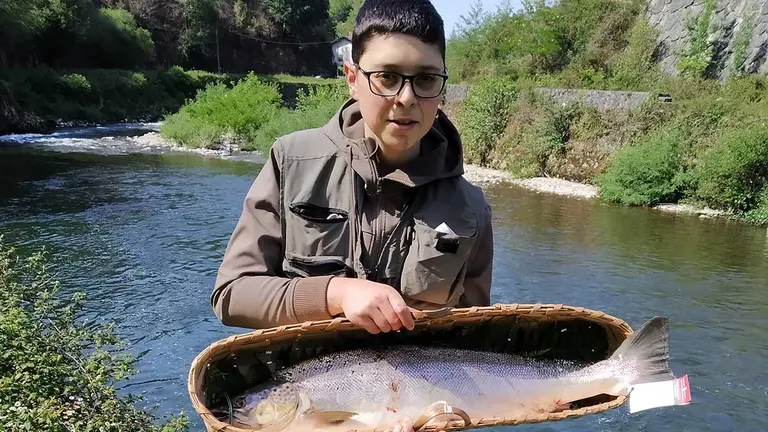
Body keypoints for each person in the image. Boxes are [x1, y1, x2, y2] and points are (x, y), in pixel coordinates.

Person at [211, 1, 492, 426]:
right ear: (352, 78)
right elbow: (232, 295)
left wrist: (449, 413)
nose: (406, 98)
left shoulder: (471, 208)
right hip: (299, 417)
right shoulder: (291, 162)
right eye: (387, 77)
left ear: (441, 87)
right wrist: (336, 294)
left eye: (425, 79)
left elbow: (470, 341)